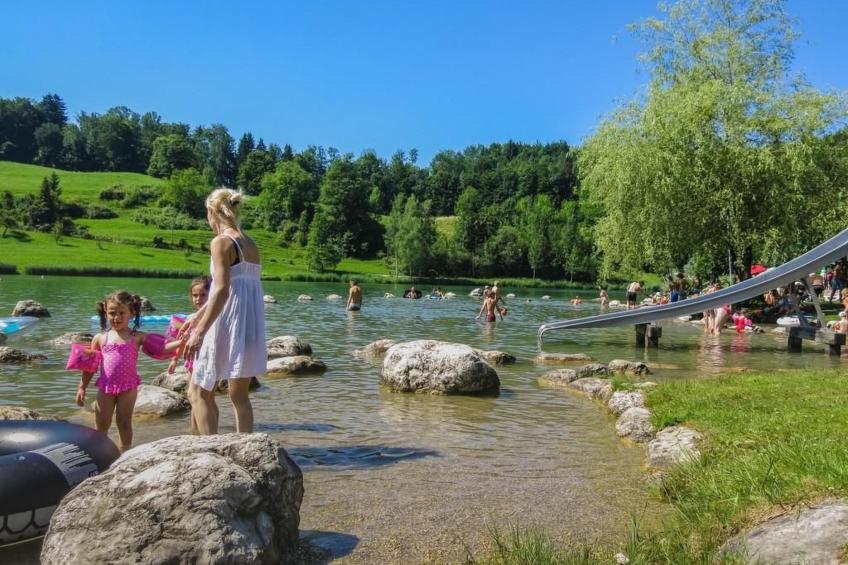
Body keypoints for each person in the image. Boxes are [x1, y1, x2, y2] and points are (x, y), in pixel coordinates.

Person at [184, 188, 267, 435]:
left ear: (212, 212)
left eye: (206, 215)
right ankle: (246, 444)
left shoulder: (221, 242)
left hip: (227, 322)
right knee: (239, 395)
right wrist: (198, 315)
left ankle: (208, 448)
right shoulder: (250, 244)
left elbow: (221, 290)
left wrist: (199, 331)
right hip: (248, 323)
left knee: (198, 390)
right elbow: (238, 287)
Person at [74, 291, 177, 452]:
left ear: (132, 313)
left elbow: (162, 347)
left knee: (124, 422)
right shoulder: (100, 338)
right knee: (101, 423)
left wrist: (182, 342)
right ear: (105, 312)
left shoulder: (137, 337)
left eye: (122, 313)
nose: (117, 317)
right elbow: (90, 367)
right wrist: (82, 387)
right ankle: (100, 452)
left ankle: (125, 452)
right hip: (106, 387)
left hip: (128, 388)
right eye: (112, 313)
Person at [168, 276, 214, 434]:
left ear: (211, 295)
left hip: (207, 361)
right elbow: (182, 342)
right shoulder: (190, 319)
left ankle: (209, 431)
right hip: (191, 363)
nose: (198, 299)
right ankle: (194, 429)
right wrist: (174, 359)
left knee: (206, 398)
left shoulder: (211, 318)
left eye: (203, 295)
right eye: (195, 295)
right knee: (194, 397)